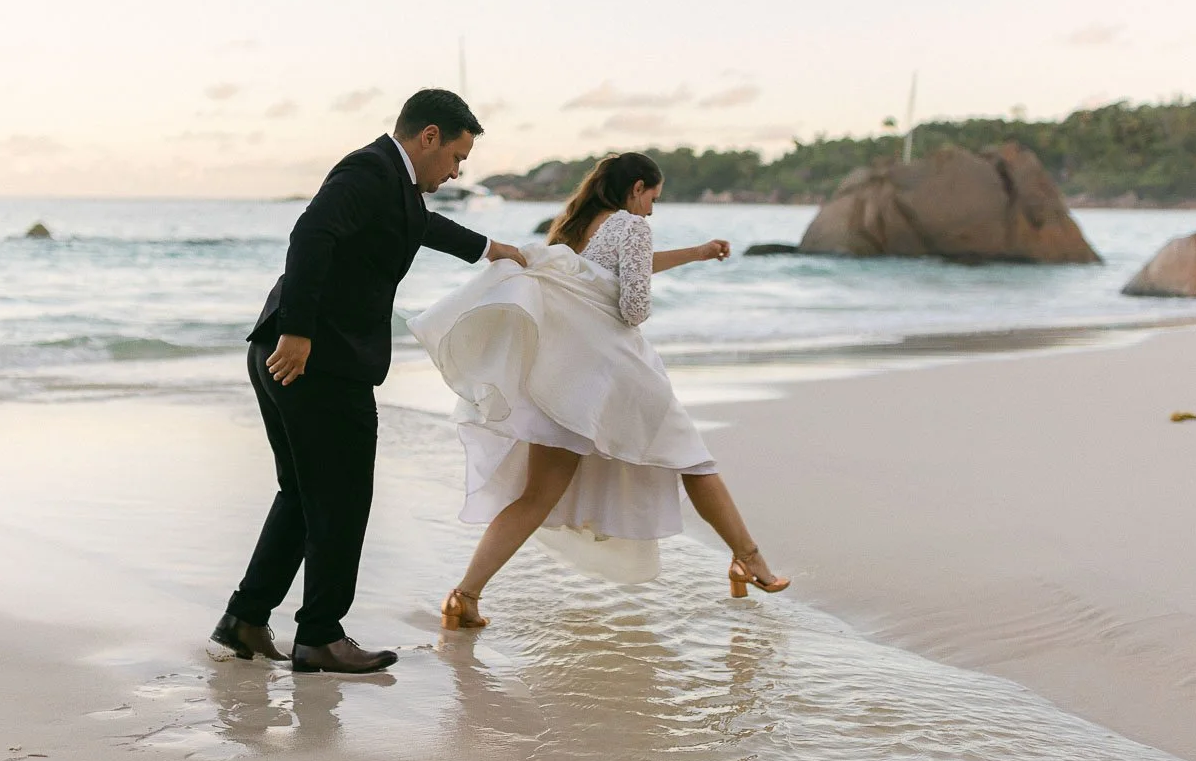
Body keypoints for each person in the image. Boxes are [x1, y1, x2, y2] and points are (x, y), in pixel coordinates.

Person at [408, 151, 790, 632]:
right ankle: (749, 561)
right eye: (653, 197)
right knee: (694, 461)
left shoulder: (579, 227)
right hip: (619, 374)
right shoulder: (631, 226)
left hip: (567, 381)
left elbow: (607, 275)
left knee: (536, 497)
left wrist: (695, 253)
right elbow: (631, 306)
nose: (651, 209)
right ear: (636, 188)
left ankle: (463, 595)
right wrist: (644, 297)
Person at [212, 89, 526, 673]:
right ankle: (320, 636)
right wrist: (300, 332)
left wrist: (487, 248)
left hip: (289, 355)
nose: (457, 170)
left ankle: (246, 620)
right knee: (343, 498)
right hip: (312, 361)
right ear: (428, 137)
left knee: (304, 496)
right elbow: (309, 235)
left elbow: (418, 224)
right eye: (456, 156)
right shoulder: (367, 170)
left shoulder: (391, 183)